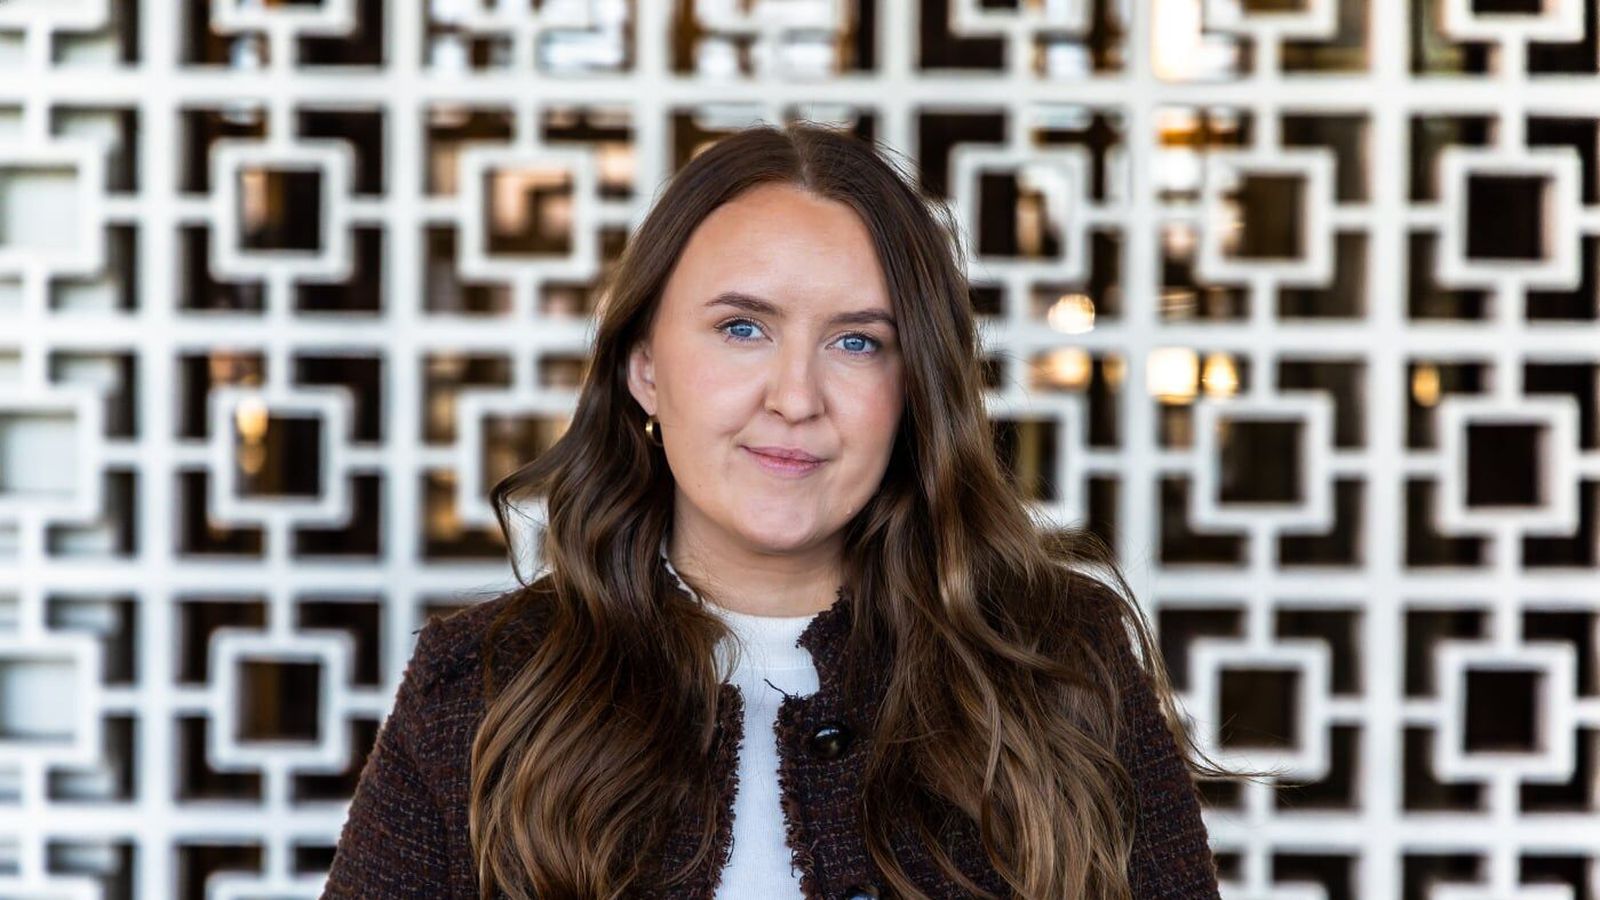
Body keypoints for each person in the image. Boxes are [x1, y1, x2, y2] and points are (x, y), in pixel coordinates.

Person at [322, 121, 1243, 899]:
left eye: (857, 342)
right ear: (645, 366)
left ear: (913, 390)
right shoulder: (482, 688)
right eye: (742, 328)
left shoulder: (1063, 666)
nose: (796, 398)